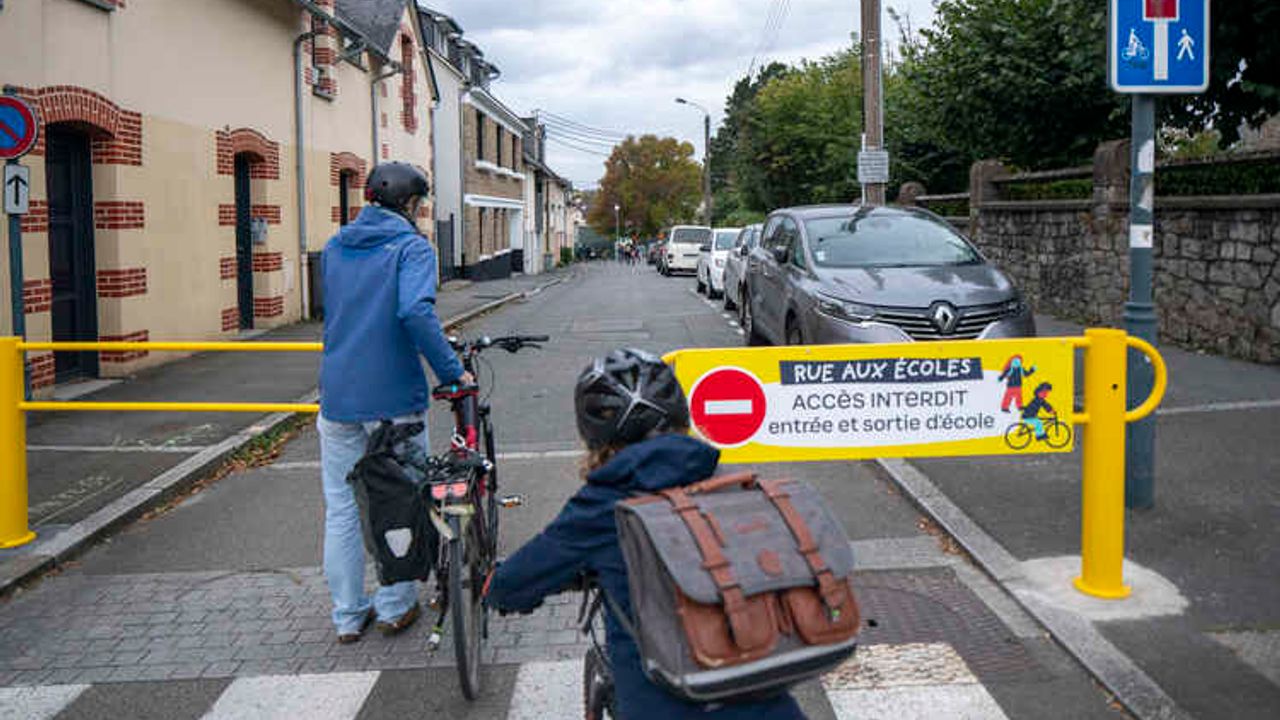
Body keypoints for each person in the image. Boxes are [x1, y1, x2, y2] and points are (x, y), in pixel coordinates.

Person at [485, 349, 805, 719]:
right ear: (680, 415)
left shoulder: (604, 506)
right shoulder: (727, 483)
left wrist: (496, 589)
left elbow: (512, 585)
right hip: (770, 705)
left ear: (596, 435)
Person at [317, 162, 472, 644]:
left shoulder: (335, 247)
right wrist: (453, 371)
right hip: (392, 400)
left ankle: (347, 615)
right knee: (399, 502)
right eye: (419, 204)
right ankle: (395, 606)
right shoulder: (412, 248)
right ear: (409, 203)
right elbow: (414, 312)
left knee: (343, 507)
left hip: (338, 395)